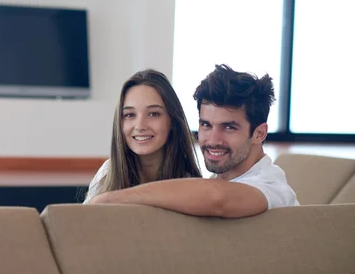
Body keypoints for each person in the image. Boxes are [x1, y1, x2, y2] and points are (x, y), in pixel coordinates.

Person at [87, 64, 299, 217]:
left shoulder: (271, 186)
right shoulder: (213, 181)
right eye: (206, 125)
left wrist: (111, 199)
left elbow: (217, 199)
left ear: (260, 133)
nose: (213, 140)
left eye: (229, 127)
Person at [83, 69, 202, 204]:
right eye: (129, 115)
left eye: (153, 114)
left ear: (173, 121)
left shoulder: (190, 185)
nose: (140, 126)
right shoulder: (107, 172)